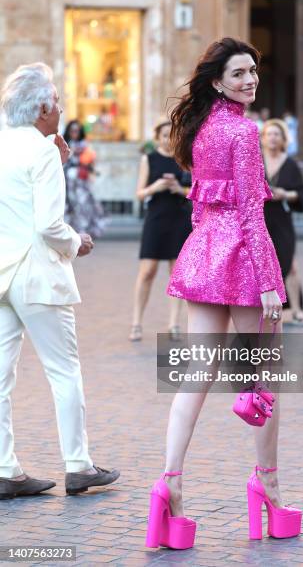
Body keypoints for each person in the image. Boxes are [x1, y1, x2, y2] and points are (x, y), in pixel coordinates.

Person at [145, 38, 302, 550]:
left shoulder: (199, 129)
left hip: (205, 253)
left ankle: (169, 484)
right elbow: (255, 217)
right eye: (238, 74)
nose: (250, 80)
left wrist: (202, 248)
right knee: (263, 380)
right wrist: (269, 283)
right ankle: (269, 486)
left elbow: (198, 204)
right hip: (241, 259)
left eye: (254, 71)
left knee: (196, 378)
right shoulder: (243, 130)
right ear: (217, 81)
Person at [0, 63, 119, 498]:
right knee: (64, 371)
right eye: (56, 100)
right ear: (43, 108)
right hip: (37, 274)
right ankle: (78, 464)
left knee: (0, 378)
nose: (62, 107)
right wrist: (77, 241)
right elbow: (50, 224)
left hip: (3, 274)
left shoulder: (7, 142)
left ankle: (6, 467)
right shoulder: (42, 150)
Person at [129, 120, 192, 342]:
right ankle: (136, 322)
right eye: (165, 135)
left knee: (177, 275)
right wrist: (155, 188)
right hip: (156, 219)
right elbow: (139, 193)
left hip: (180, 219)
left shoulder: (185, 159)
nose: (168, 139)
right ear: (158, 137)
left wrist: (179, 189)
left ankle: (174, 323)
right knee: (147, 272)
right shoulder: (149, 158)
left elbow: (197, 191)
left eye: (172, 135)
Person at [262, 119, 303, 326]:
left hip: (281, 220)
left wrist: (285, 195)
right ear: (262, 138)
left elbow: (302, 193)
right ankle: (261, 308)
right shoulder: (254, 161)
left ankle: (297, 311)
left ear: (283, 139)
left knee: (290, 265)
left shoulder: (290, 164)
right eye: (269, 134)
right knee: (259, 265)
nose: (272, 138)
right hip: (258, 219)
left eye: (276, 134)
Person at [63, 119, 105, 239]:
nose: (74, 133)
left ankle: (83, 231)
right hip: (67, 181)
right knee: (68, 206)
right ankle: (70, 232)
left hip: (81, 181)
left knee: (83, 205)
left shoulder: (85, 146)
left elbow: (91, 163)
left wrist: (91, 174)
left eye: (77, 130)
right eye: (72, 130)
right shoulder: (64, 144)